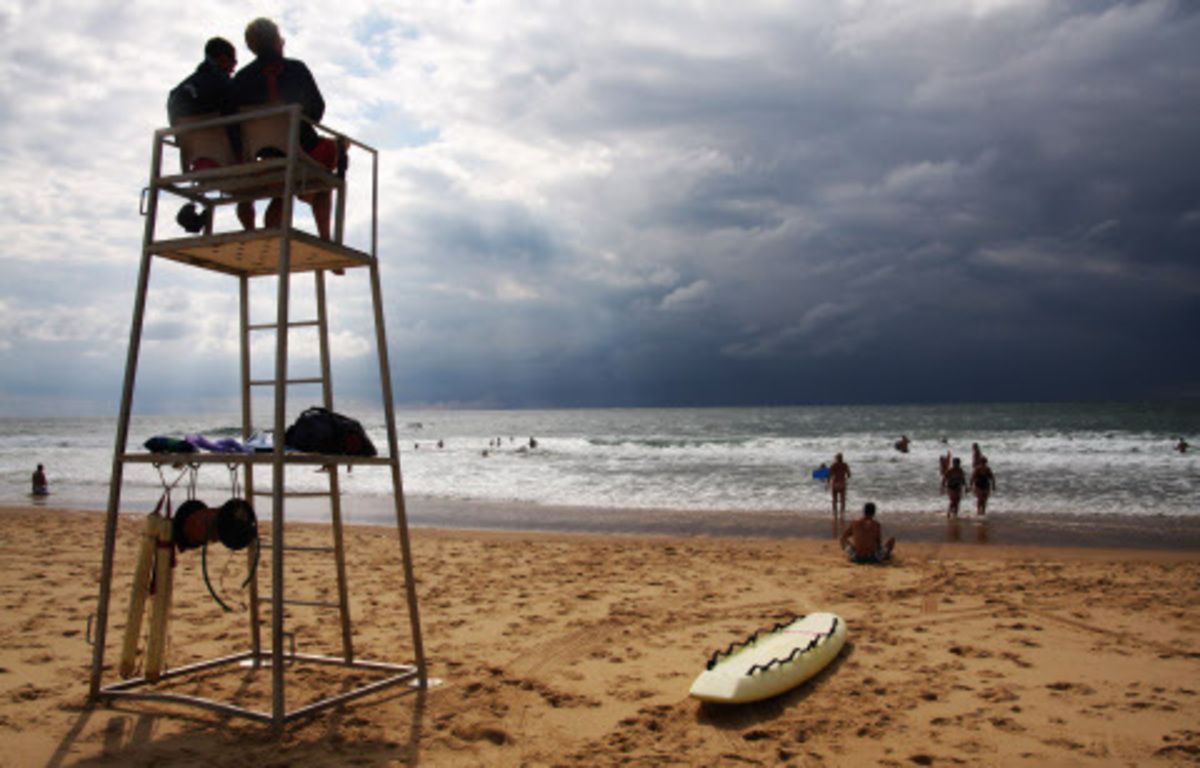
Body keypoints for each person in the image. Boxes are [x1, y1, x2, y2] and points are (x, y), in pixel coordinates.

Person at [232, 17, 338, 239]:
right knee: (332, 156)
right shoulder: (295, 69)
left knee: (285, 185)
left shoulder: (241, 79)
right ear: (276, 41)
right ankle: (325, 236)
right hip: (300, 150)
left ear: (252, 47)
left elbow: (234, 121)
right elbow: (317, 109)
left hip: (263, 156)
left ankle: (276, 214)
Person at [167, 37, 242, 233]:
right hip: (227, 163)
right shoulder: (226, 86)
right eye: (233, 62)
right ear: (223, 59)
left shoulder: (177, 93)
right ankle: (250, 229)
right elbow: (238, 125)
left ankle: (198, 210)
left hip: (196, 163)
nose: (234, 68)